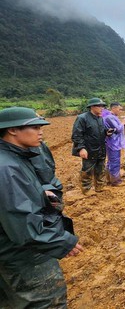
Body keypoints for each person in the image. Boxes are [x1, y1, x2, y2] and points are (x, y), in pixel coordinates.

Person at [0, 107, 83, 308]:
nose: (41, 132)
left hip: (11, 250)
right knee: (45, 301)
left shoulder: (17, 157)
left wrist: (42, 191)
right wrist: (61, 242)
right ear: (12, 130)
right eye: (35, 127)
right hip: (22, 255)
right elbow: (21, 220)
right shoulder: (7, 168)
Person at [72, 97, 112, 195]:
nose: (102, 108)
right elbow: (77, 135)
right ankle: (86, 189)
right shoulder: (82, 118)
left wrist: (106, 132)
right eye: (99, 106)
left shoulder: (100, 118)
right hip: (89, 149)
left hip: (100, 147)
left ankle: (100, 187)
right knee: (87, 170)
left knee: (100, 168)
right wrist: (81, 148)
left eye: (103, 106)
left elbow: (99, 131)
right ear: (92, 107)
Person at [103, 102, 125, 186]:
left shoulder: (112, 117)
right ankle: (115, 181)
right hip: (113, 143)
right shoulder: (110, 117)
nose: (120, 111)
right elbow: (118, 129)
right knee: (115, 161)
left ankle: (109, 178)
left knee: (111, 161)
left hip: (113, 142)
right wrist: (123, 122)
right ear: (114, 108)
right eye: (119, 109)